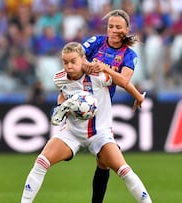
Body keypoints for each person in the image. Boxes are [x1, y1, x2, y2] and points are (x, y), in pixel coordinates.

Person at [20, 42, 152, 203]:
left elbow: (123, 81)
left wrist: (138, 96)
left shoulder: (98, 76)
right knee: (41, 162)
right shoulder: (59, 78)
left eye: (73, 61)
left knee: (124, 170)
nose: (68, 66)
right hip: (72, 133)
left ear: (83, 59)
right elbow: (62, 95)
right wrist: (60, 107)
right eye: (65, 62)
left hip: (100, 134)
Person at [82, 9, 144, 203]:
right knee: (109, 160)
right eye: (111, 26)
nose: (114, 30)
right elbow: (76, 58)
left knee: (103, 163)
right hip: (82, 102)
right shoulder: (96, 42)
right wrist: (88, 66)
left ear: (126, 29)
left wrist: (105, 68)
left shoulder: (129, 54)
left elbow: (124, 80)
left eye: (118, 27)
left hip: (102, 108)